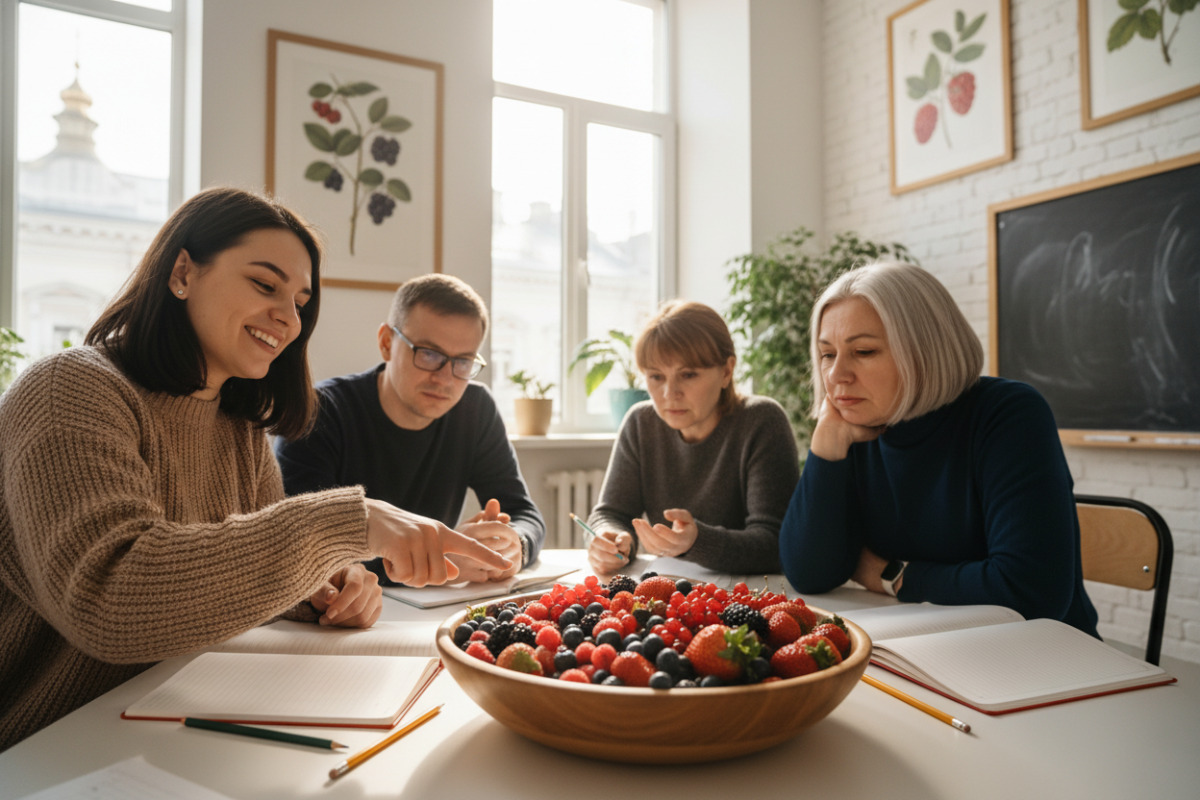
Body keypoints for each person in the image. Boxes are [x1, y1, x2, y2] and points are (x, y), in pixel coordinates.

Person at [0, 187, 510, 751]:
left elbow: (227, 571)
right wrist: (346, 523)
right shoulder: (70, 388)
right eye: (265, 285)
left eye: (299, 301)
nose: (288, 318)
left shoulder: (238, 424)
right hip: (45, 746)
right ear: (182, 273)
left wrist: (323, 587)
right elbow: (110, 598)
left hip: (162, 722)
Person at [778, 261, 1099, 635]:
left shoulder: (1009, 414)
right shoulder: (854, 426)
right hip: (927, 648)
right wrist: (826, 446)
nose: (836, 375)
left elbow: (1031, 590)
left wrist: (892, 575)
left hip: (1046, 657)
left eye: (863, 351)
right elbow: (809, 574)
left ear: (925, 351)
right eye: (827, 354)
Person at [275, 273, 545, 585]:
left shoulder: (475, 408)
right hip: (339, 614)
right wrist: (436, 562)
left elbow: (523, 512)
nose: (444, 379)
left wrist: (514, 547)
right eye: (429, 354)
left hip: (427, 611)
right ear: (386, 343)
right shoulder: (318, 412)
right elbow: (298, 545)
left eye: (463, 362)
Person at [585, 301, 799, 576]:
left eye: (688, 375)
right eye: (656, 376)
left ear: (726, 371)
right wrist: (609, 537)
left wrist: (698, 542)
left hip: (753, 593)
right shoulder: (640, 422)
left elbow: (775, 544)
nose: (669, 393)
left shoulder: (762, 421)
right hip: (669, 594)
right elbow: (610, 514)